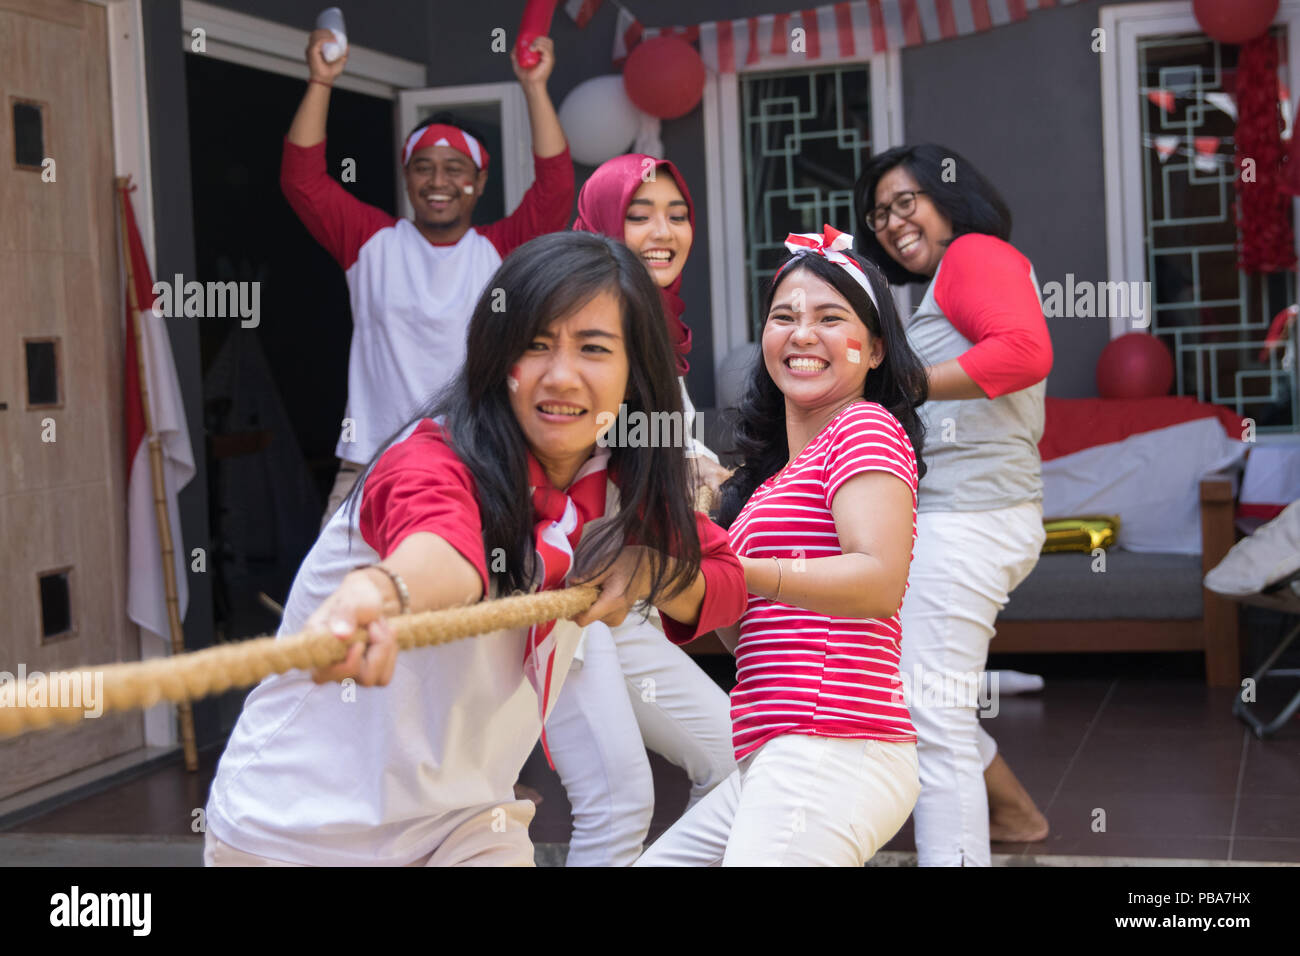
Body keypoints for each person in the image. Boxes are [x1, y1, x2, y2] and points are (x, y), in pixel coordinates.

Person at [202, 232, 747, 867]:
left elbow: (725, 576)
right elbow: (442, 546)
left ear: (635, 375)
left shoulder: (626, 490)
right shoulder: (432, 457)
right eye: (535, 344)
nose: (560, 374)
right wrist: (382, 592)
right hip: (298, 829)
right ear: (497, 357)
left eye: (593, 349)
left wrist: (650, 569)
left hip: (466, 822)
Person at [636, 226, 928, 866]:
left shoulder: (864, 425)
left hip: (833, 743)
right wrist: (676, 573)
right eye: (783, 316)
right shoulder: (773, 479)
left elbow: (878, 580)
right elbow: (753, 630)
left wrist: (736, 569)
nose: (801, 334)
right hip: (779, 750)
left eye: (830, 318)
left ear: (874, 350)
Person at [283, 27, 574, 525]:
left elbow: (555, 187)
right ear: (407, 175)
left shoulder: (500, 250)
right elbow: (302, 179)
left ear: (479, 182)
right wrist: (320, 80)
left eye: (455, 168)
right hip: (372, 456)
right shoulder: (369, 242)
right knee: (338, 595)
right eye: (423, 167)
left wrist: (533, 86)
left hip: (474, 456)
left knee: (469, 596)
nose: (438, 182)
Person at [854, 144, 1053, 865]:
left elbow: (1027, 352)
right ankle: (1015, 814)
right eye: (879, 214)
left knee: (929, 717)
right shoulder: (949, 277)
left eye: (905, 201)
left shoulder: (975, 252)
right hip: (963, 517)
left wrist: (902, 385)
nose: (890, 222)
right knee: (921, 694)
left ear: (950, 194)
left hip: (969, 518)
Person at [539, 155, 736, 866]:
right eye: (639, 213)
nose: (663, 231)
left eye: (677, 214)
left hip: (634, 603)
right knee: (619, 806)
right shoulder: (583, 325)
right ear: (599, 223)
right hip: (572, 602)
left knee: (738, 762)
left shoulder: (657, 331)